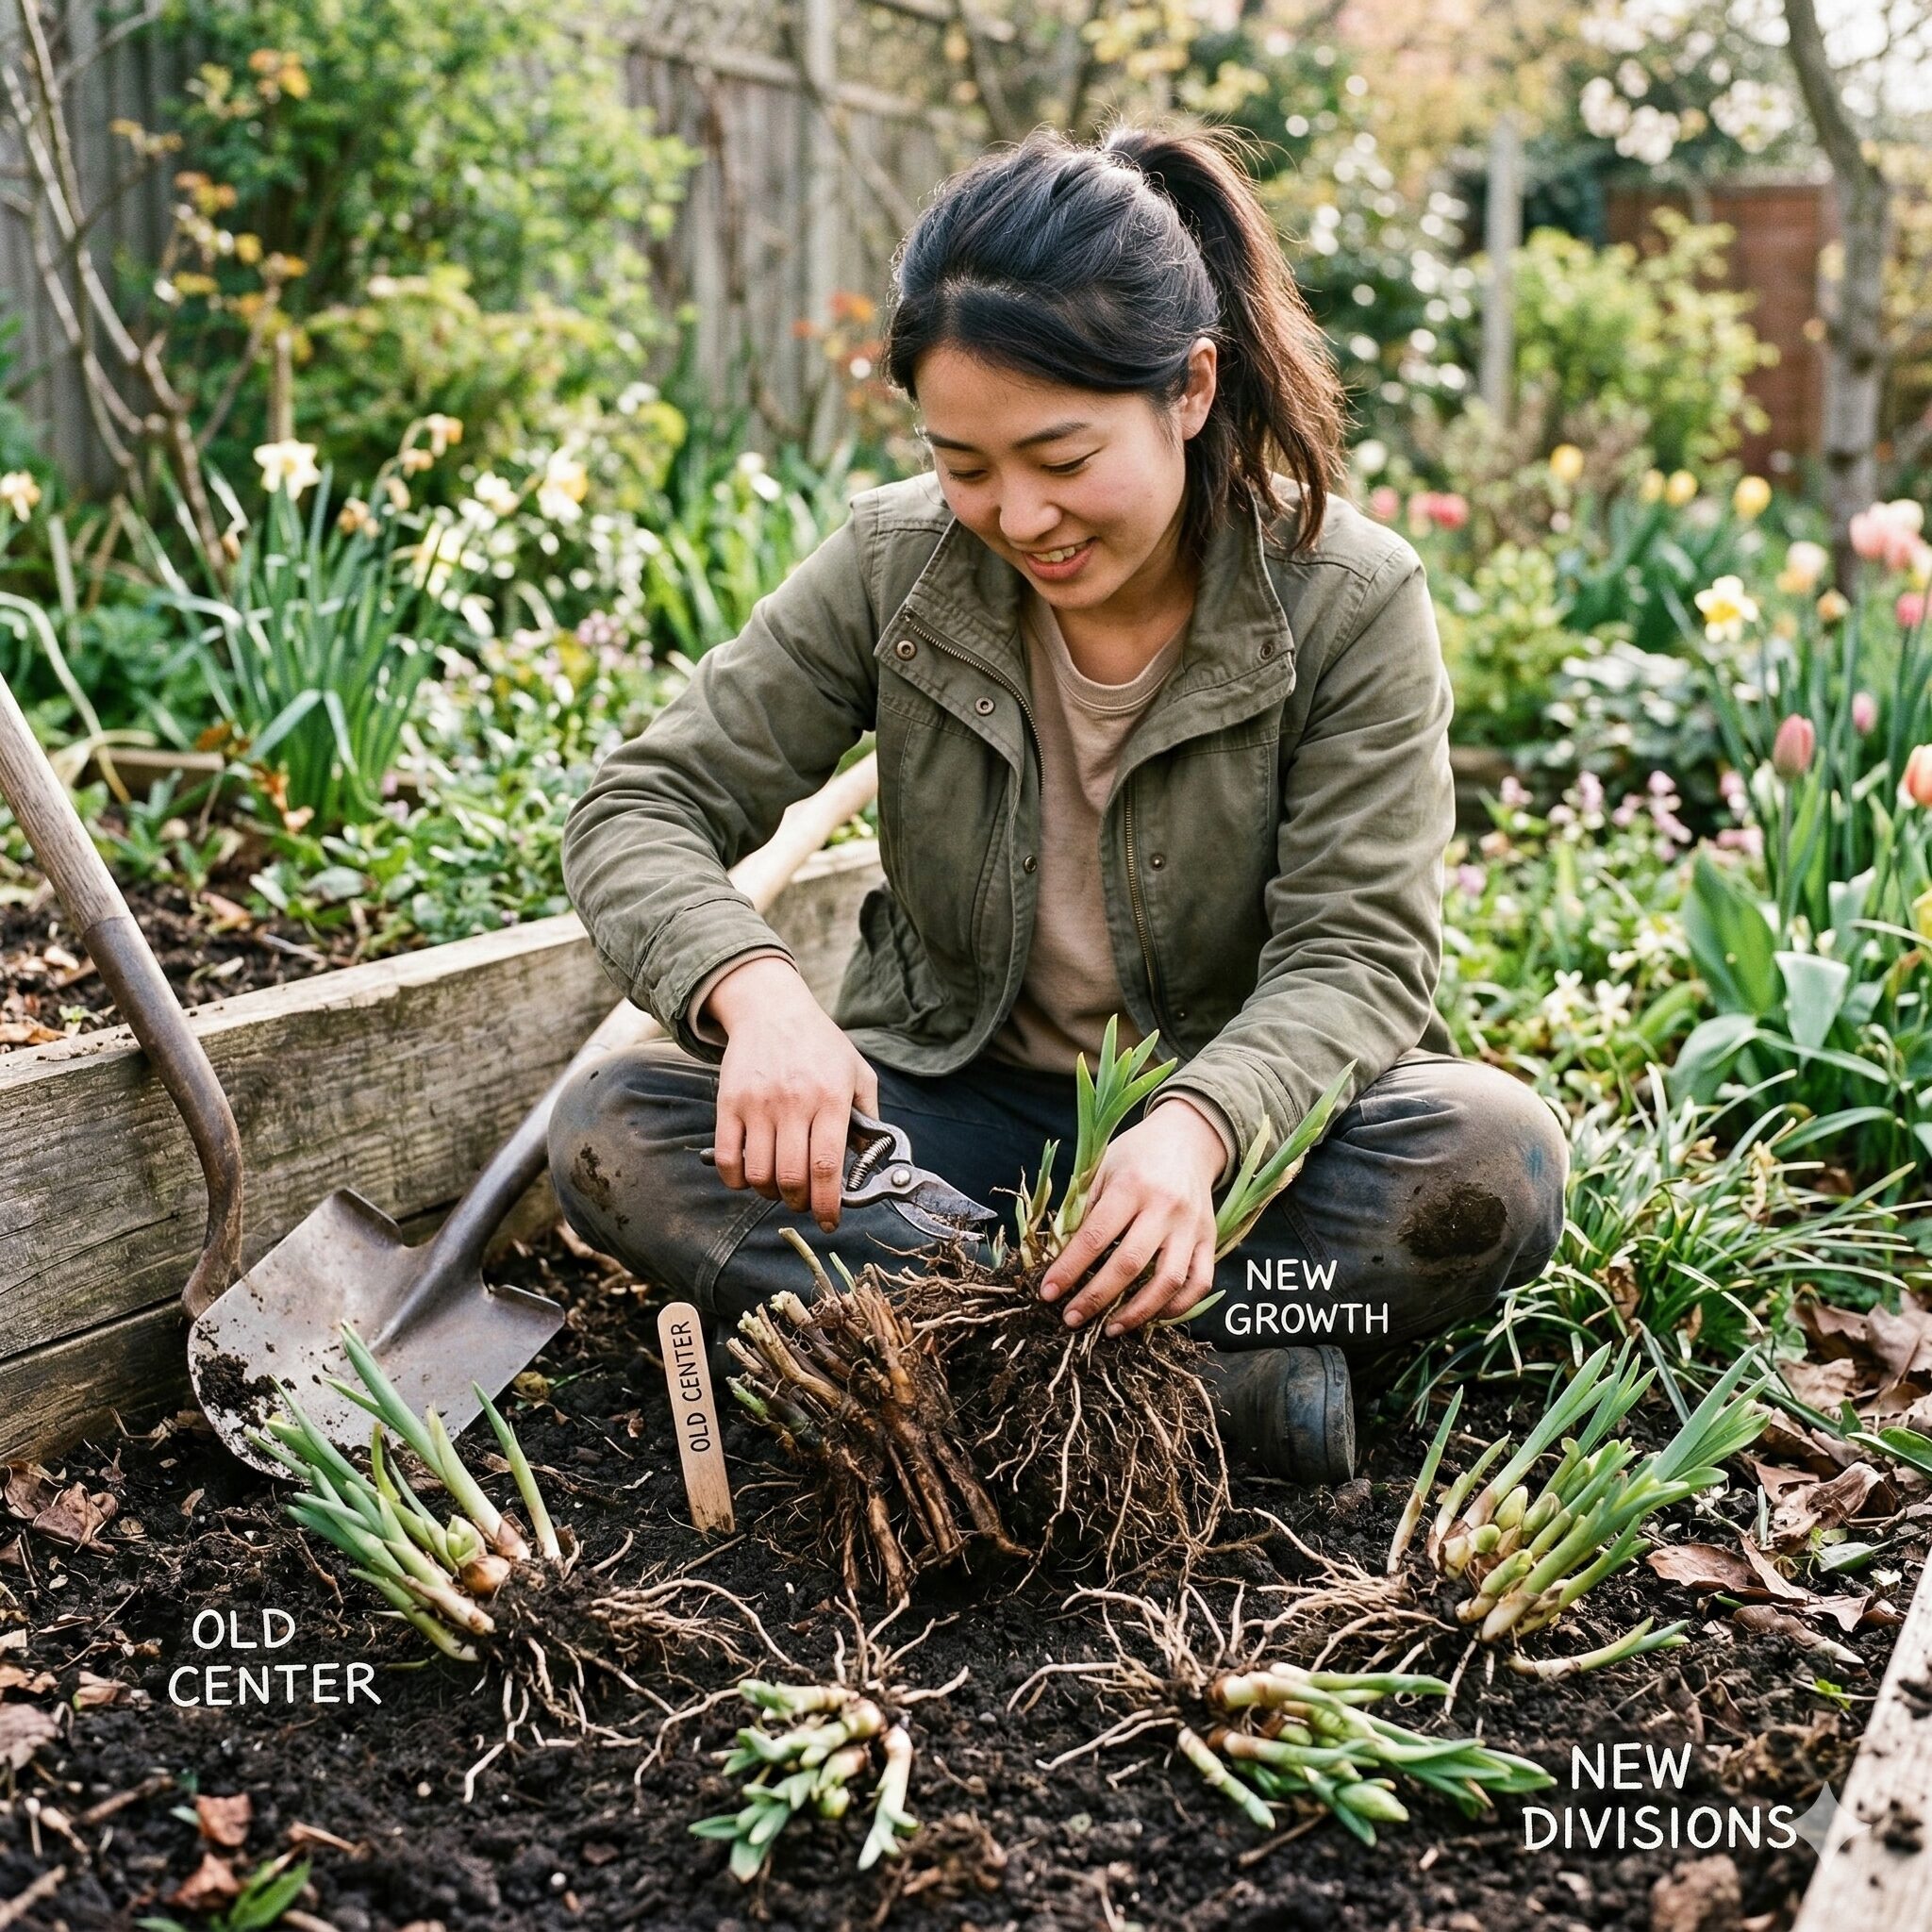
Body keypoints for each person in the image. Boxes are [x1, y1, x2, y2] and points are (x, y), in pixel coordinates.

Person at [549, 120, 1569, 1484]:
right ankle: (1186, 1372)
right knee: (617, 1127)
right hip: (946, 1125)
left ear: (1190, 388)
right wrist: (758, 994)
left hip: (1228, 1146)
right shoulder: (895, 565)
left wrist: (1199, 1131)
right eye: (965, 466)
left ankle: (942, 1351)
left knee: (1491, 1167)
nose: (1019, 515)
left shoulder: (1349, 598)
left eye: (1063, 457)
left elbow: (1358, 954)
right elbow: (640, 802)